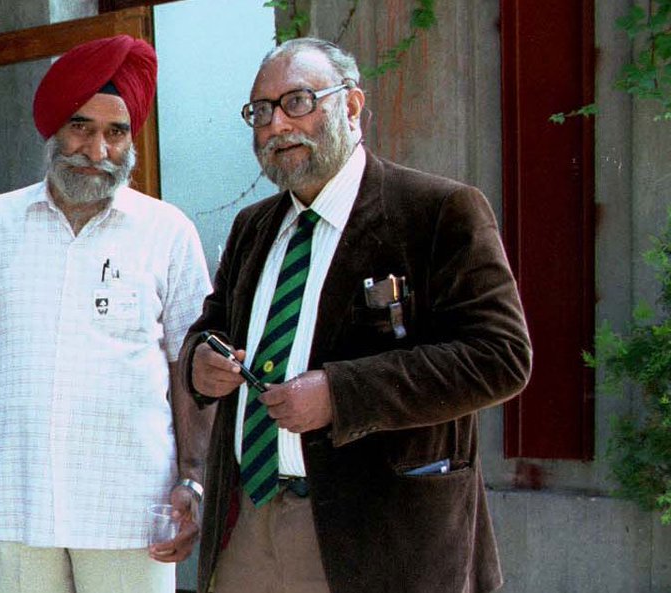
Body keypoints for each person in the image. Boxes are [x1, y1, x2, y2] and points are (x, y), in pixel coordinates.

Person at [182, 38, 532, 593]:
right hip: (249, 518)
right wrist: (200, 362)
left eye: (297, 101)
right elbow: (212, 327)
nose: (276, 126)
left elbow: (501, 357)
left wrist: (340, 394)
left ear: (351, 106)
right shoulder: (253, 226)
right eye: (262, 112)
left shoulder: (437, 212)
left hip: (381, 532)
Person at [0, 34, 214, 593]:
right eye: (81, 127)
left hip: (132, 506)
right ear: (53, 130)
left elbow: (191, 366)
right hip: (16, 501)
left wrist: (194, 477)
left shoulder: (167, 231)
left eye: (116, 133)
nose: (97, 150)